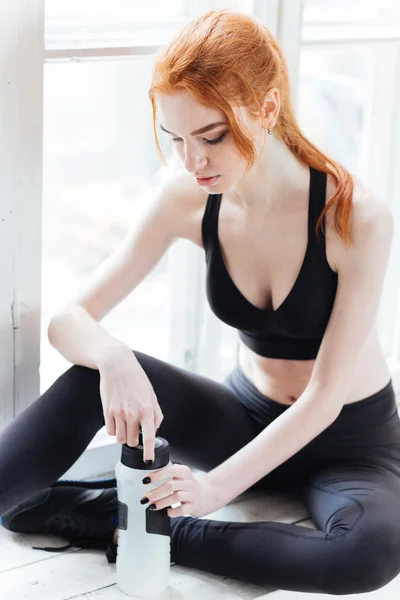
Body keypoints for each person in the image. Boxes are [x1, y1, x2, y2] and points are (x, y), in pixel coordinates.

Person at [1, 8, 400, 595]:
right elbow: (69, 319)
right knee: (55, 438)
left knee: (369, 554)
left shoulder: (354, 216)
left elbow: (323, 398)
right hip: (242, 419)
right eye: (175, 138)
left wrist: (212, 492)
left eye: (211, 136)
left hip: (349, 444)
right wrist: (114, 359)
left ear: (267, 109)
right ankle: (120, 507)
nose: (193, 161)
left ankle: (143, 528)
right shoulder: (186, 198)